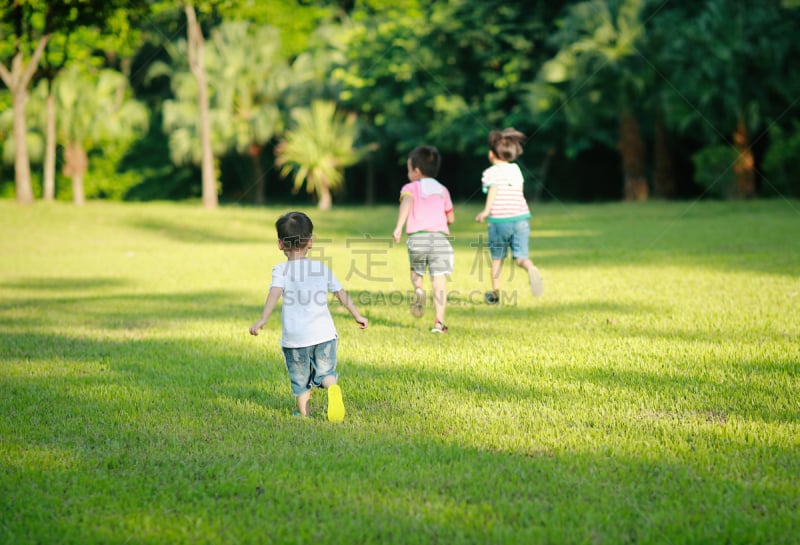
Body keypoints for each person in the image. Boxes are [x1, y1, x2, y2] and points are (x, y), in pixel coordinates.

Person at [249, 211, 368, 421]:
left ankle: (303, 413)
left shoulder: (281, 270)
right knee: (325, 373)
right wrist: (357, 315)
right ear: (310, 242)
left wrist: (263, 319)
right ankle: (332, 387)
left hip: (296, 339)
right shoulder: (320, 268)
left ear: (280, 244)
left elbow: (274, 293)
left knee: (300, 378)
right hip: (324, 335)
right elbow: (340, 293)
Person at [475, 128, 544, 304]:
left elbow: (494, 190)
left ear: (491, 154)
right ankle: (530, 268)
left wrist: (486, 211)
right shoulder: (516, 170)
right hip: (521, 218)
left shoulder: (490, 172)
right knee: (520, 257)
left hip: (500, 221)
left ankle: (495, 294)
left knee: (497, 259)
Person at [392, 145, 455, 333]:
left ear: (416, 171)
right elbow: (450, 218)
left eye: (408, 170)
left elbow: (406, 203)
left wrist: (398, 227)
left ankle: (418, 289)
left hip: (417, 239)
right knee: (439, 280)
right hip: (439, 240)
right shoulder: (443, 190)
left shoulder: (410, 188)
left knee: (416, 272)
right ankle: (439, 323)